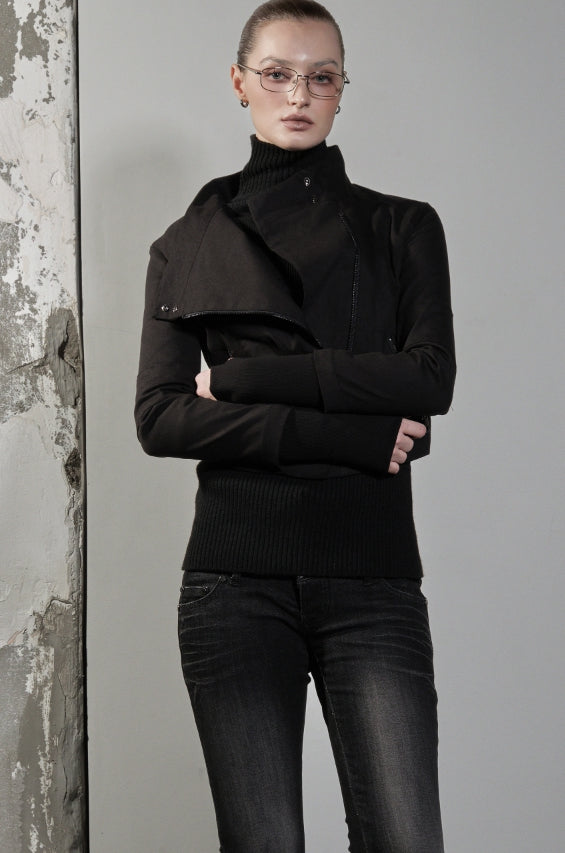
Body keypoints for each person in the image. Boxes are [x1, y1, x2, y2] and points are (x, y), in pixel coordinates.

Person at [135, 1, 455, 850]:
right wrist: (350, 435)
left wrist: (245, 379)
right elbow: (160, 416)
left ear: (343, 89)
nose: (298, 94)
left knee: (404, 837)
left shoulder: (402, 227)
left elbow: (428, 379)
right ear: (238, 83)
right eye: (277, 73)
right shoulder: (186, 243)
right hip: (234, 581)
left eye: (321, 77)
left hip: (371, 575)